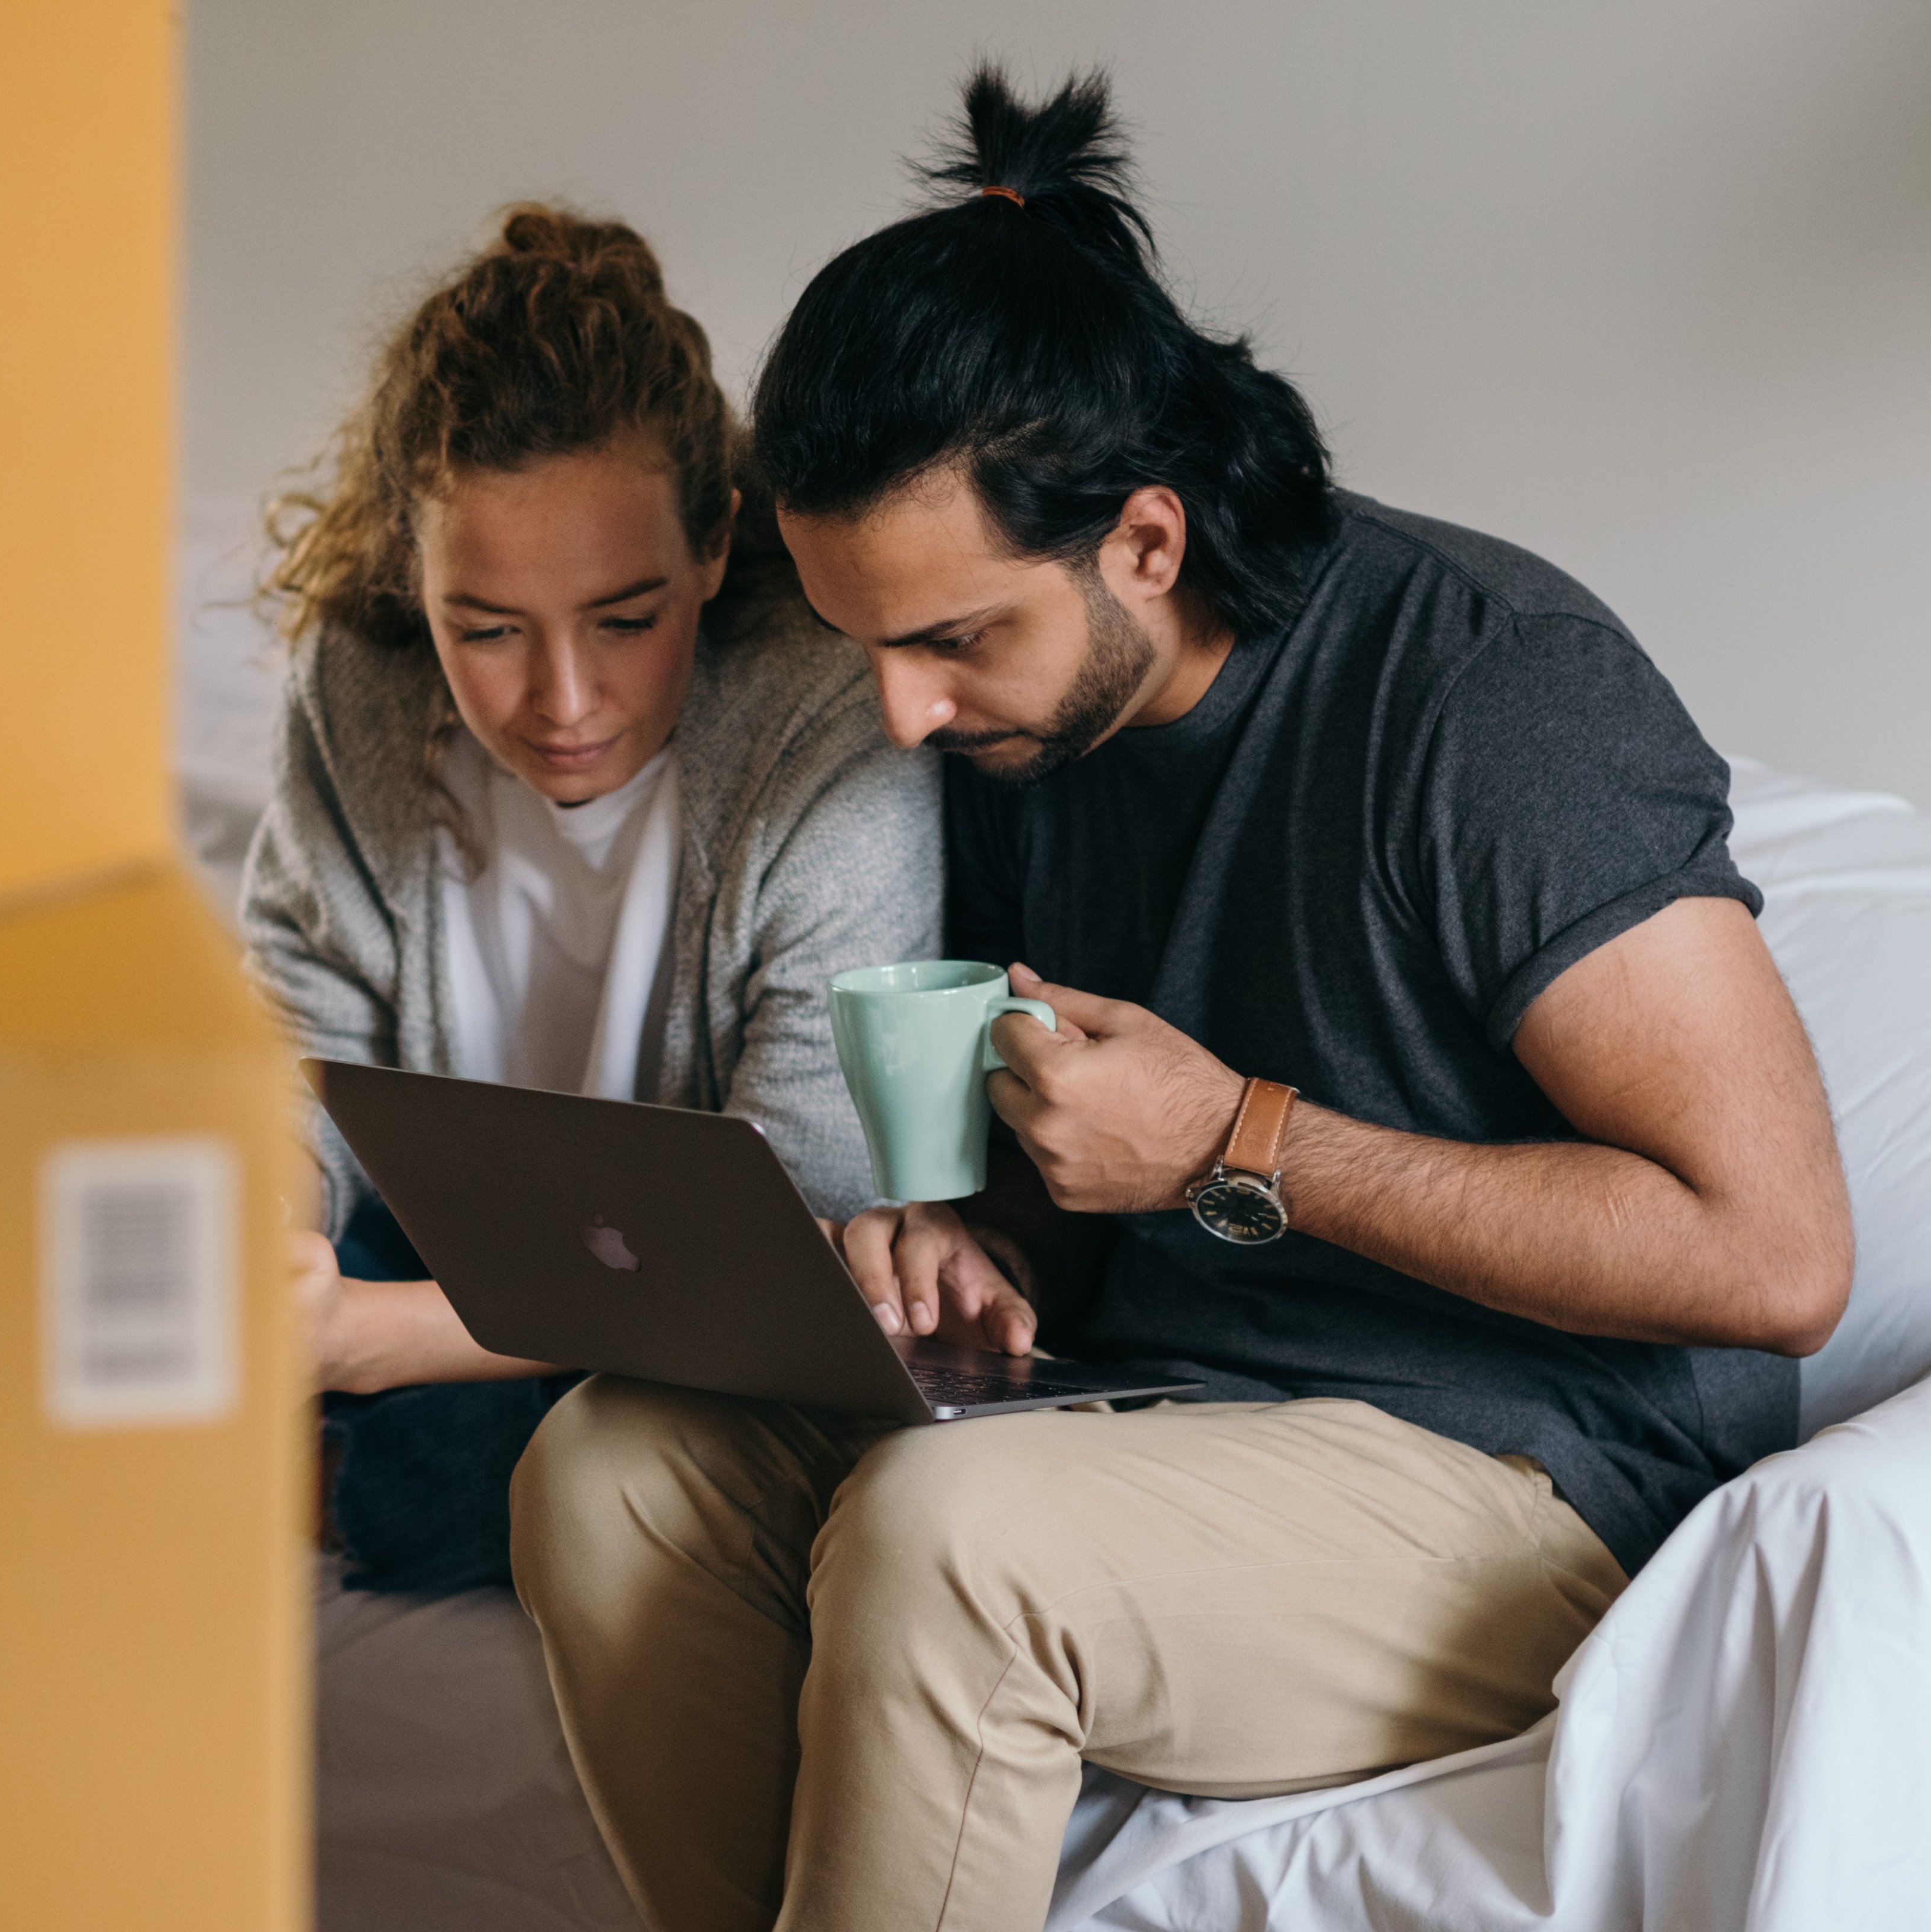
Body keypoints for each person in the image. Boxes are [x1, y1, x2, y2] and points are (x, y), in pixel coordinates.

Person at [507, 71, 1855, 1932]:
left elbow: (1775, 1254)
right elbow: (1070, 1192)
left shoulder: (1489, 695)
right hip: (1157, 1401)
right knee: (610, 1469)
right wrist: (970, 1248)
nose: (899, 714)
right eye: (864, 644)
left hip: (1540, 1477)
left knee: (951, 1543)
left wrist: (1237, 1140)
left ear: (1145, 540)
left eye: (950, 638)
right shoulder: (1017, 732)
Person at [241, 206, 939, 1594]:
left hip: (701, 1302)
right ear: (413, 580)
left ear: (718, 548)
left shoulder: (827, 721)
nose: (562, 703)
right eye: (484, 631)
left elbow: (803, 1234)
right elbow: (290, 1053)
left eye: (627, 619)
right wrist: (271, 1247)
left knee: (622, 1459)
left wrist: (365, 1345)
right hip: (431, 1232)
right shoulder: (359, 688)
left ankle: (332, 1476)